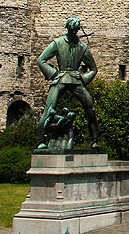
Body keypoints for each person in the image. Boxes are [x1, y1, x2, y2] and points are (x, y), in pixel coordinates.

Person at [36, 17, 99, 149]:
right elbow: (41, 60)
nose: (73, 32)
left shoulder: (82, 47)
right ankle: (40, 141)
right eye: (72, 30)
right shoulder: (58, 43)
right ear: (68, 28)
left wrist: (83, 77)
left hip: (75, 80)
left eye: (75, 30)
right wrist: (54, 74)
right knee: (49, 109)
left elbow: (93, 69)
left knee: (90, 109)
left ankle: (94, 141)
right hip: (61, 78)